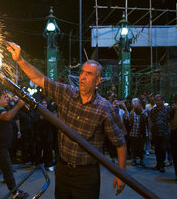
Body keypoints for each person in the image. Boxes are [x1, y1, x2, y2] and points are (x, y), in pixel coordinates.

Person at [7, 42, 127, 198]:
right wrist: (20, 59)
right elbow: (40, 79)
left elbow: (120, 142)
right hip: (63, 169)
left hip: (86, 175)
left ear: (98, 81)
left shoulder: (104, 108)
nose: (82, 77)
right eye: (82, 72)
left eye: (89, 74)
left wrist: (121, 173)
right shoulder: (66, 93)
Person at [0, 89, 29, 199]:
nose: (7, 99)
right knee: (7, 169)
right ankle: (14, 193)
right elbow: (7, 116)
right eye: (5, 97)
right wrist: (18, 106)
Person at [150, 94, 170, 173]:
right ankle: (158, 164)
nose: (157, 102)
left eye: (158, 100)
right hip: (156, 132)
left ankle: (162, 165)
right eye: (156, 100)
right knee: (157, 149)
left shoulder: (167, 109)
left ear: (162, 101)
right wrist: (150, 132)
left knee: (163, 149)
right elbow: (150, 121)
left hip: (164, 132)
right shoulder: (153, 110)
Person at [127, 98, 148, 167]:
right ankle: (134, 160)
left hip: (141, 134)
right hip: (133, 134)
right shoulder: (133, 114)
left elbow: (146, 116)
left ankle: (141, 160)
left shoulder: (142, 114)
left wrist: (141, 108)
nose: (137, 107)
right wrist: (133, 108)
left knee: (141, 148)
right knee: (134, 148)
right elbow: (129, 118)